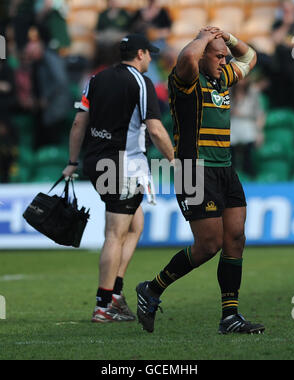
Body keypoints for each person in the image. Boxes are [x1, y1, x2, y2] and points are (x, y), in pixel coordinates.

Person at [136, 26, 265, 334]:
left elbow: (250, 56)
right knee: (208, 245)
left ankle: (230, 316)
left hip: (225, 169)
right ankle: (152, 289)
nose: (224, 61)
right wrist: (203, 37)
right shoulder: (186, 81)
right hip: (195, 171)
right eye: (218, 56)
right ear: (203, 55)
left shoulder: (223, 79)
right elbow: (186, 57)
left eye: (225, 57)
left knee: (235, 239)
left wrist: (227, 36)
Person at [62, 34, 174, 323]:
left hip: (95, 162)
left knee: (135, 224)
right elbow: (156, 129)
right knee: (115, 233)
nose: (152, 58)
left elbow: (78, 123)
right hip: (122, 166)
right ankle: (103, 305)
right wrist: (175, 160)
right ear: (139, 53)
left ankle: (114, 292)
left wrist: (72, 162)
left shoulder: (96, 79)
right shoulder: (140, 82)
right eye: (150, 53)